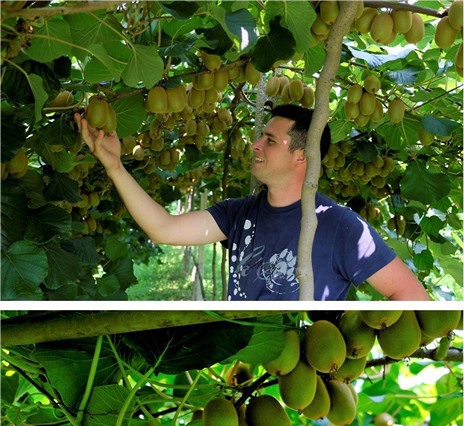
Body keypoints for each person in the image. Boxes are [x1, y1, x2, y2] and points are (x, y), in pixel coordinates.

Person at [75, 104, 430, 301]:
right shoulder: (238, 213)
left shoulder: (341, 226)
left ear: (302, 157)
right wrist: (114, 166)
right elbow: (164, 229)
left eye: (269, 140)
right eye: (260, 137)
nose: (255, 145)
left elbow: (412, 296)